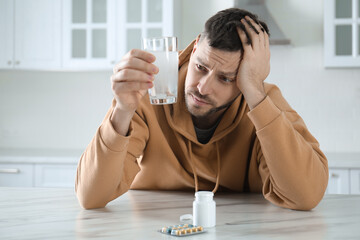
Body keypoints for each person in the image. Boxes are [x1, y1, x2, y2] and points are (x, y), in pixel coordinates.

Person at [75, 8, 328, 210]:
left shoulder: (263, 102)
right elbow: (90, 198)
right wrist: (121, 110)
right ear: (195, 48)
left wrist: (256, 94)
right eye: (201, 67)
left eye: (226, 79)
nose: (203, 88)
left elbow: (306, 196)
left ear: (247, 79)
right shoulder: (151, 91)